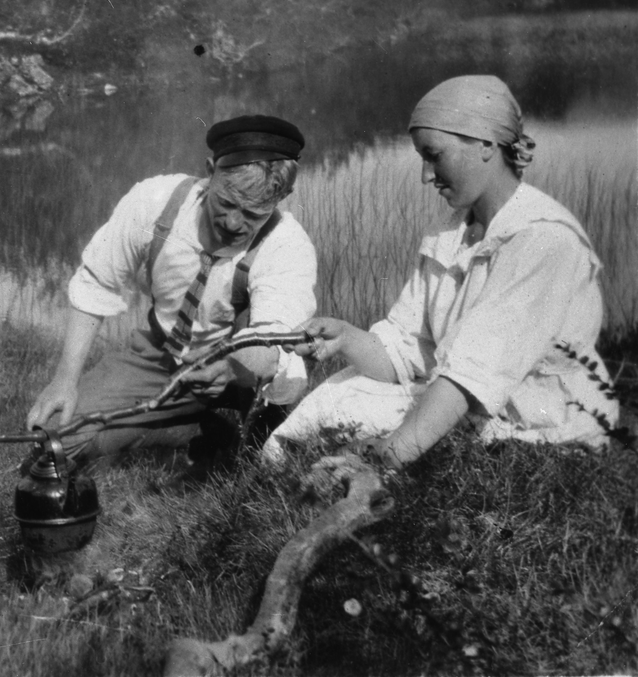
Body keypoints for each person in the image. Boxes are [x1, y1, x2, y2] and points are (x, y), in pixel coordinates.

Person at [262, 75, 620, 469]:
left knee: (368, 429)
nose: (425, 175)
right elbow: (409, 351)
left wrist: (387, 457)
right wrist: (345, 338)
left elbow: (472, 375)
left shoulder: (542, 241)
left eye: (434, 155)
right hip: (465, 397)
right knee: (339, 392)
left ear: (486, 144)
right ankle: (284, 472)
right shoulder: (451, 233)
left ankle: (367, 467)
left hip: (539, 416)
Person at [26, 115, 318, 465]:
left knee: (265, 464)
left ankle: (253, 437)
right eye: (225, 203)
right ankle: (188, 426)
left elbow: (273, 343)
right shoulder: (156, 200)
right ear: (210, 171)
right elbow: (97, 281)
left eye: (253, 214)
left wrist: (228, 367)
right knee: (53, 439)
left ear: (281, 198)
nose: (233, 223)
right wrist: (64, 379)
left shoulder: (288, 246)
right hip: (161, 359)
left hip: (242, 373)